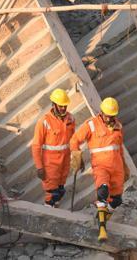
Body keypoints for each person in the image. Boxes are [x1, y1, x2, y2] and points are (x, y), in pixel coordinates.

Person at [70, 97, 128, 242]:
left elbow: (120, 150)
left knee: (116, 200)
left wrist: (125, 167)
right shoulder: (91, 125)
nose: (109, 118)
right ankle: (102, 230)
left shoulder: (118, 127)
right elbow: (74, 140)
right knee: (102, 191)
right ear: (101, 112)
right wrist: (76, 153)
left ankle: (101, 219)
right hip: (101, 166)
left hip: (117, 168)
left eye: (112, 115)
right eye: (107, 115)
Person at [32, 89, 75, 207]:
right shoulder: (44, 121)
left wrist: (77, 156)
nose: (63, 108)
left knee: (60, 191)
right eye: (60, 106)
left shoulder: (70, 119)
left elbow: (74, 140)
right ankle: (48, 212)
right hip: (50, 163)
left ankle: (55, 209)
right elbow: (36, 145)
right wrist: (39, 167)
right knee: (52, 194)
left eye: (65, 106)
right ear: (54, 104)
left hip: (65, 161)